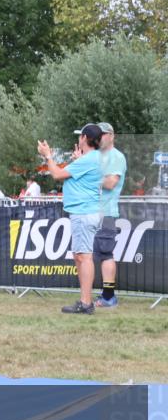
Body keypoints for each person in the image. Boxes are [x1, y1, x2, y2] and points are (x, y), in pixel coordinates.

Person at [37, 124, 104, 315]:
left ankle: (86, 303)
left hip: (84, 212)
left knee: (84, 256)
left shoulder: (90, 159)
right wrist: (78, 160)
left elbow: (57, 174)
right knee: (80, 256)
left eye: (80, 137)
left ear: (84, 138)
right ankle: (85, 301)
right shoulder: (92, 158)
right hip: (83, 212)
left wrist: (48, 155)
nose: (79, 140)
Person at [93, 122, 127, 308]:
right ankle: (106, 294)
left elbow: (111, 183)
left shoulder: (117, 157)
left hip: (106, 213)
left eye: (103, 134)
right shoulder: (98, 156)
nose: (99, 138)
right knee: (95, 255)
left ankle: (108, 296)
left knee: (106, 254)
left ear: (112, 136)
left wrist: (90, 177)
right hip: (93, 212)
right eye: (98, 135)